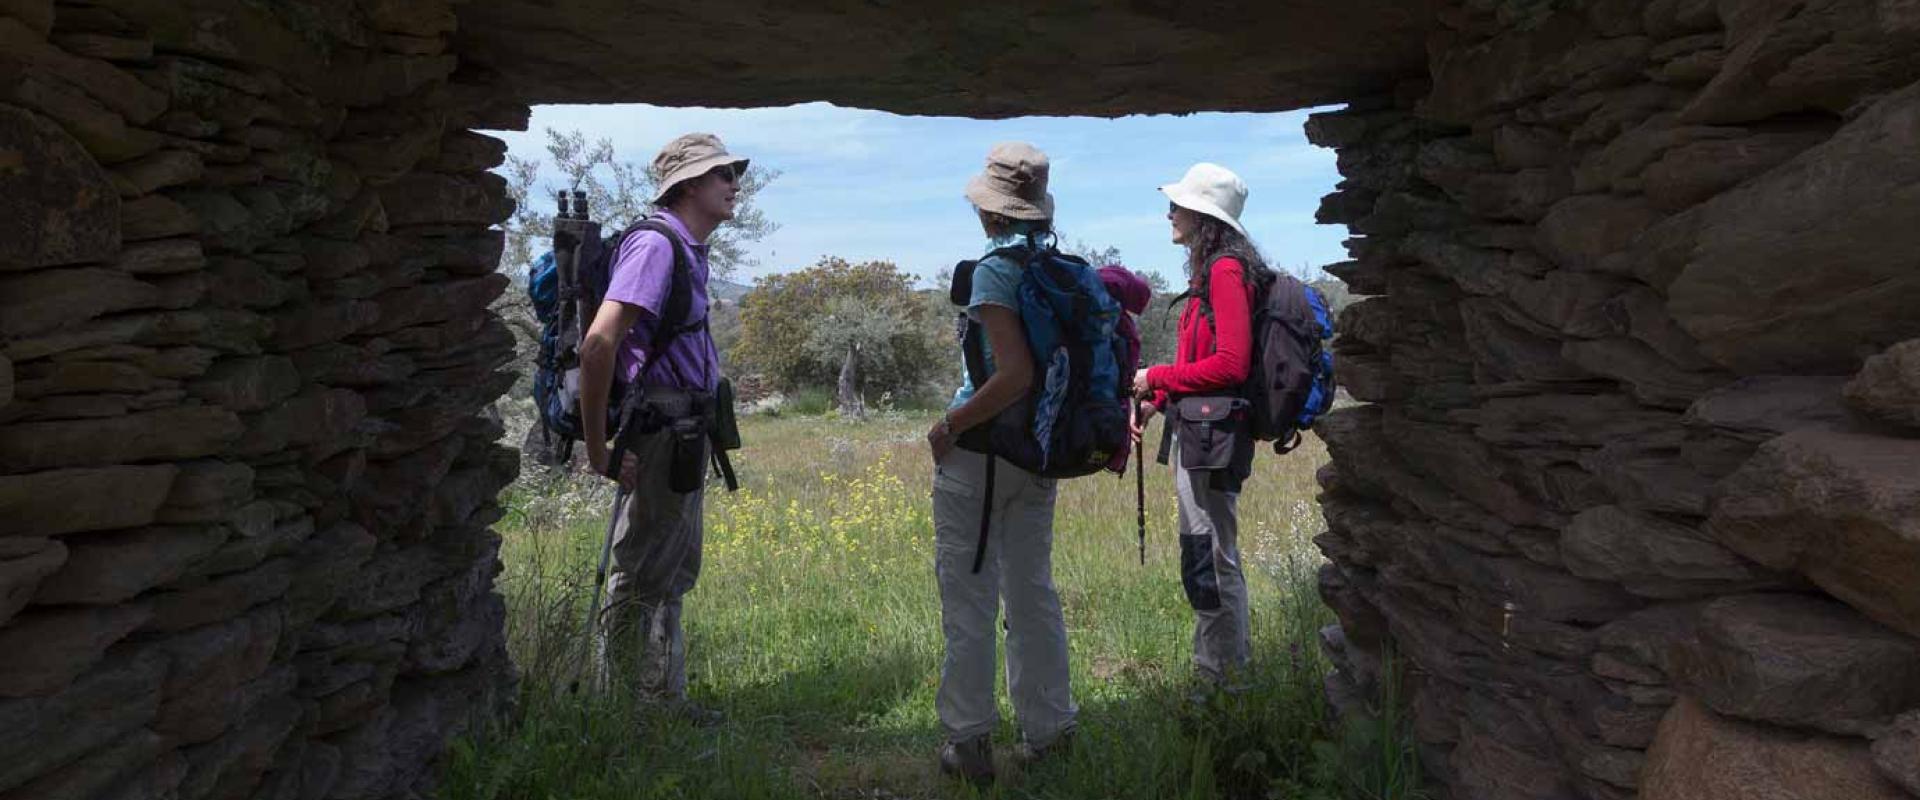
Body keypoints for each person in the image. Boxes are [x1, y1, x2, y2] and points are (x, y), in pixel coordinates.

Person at [578, 132, 746, 722]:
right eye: (723, 174)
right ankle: (619, 712)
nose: (734, 185)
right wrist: (599, 450)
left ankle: (662, 701)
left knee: (672, 567)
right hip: (658, 432)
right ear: (689, 185)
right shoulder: (655, 248)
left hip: (685, 432)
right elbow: (598, 344)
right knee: (643, 568)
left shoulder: (685, 248)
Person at [924, 142, 1078, 785]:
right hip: (1037, 452)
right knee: (1032, 592)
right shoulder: (1057, 266)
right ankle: (1050, 731)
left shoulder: (996, 270)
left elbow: (1013, 373)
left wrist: (950, 425)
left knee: (969, 600)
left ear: (991, 212)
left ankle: (969, 743)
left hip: (982, 456)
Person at [1131, 162, 1264, 695]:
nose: (1170, 211)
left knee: (1212, 558)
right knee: (1202, 553)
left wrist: (1155, 376)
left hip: (1213, 442)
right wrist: (1156, 400)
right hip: (1199, 435)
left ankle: (1226, 689)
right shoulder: (1210, 272)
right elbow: (1200, 359)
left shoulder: (1225, 272)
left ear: (1203, 217)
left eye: (1179, 204)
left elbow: (1231, 364)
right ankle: (1215, 678)